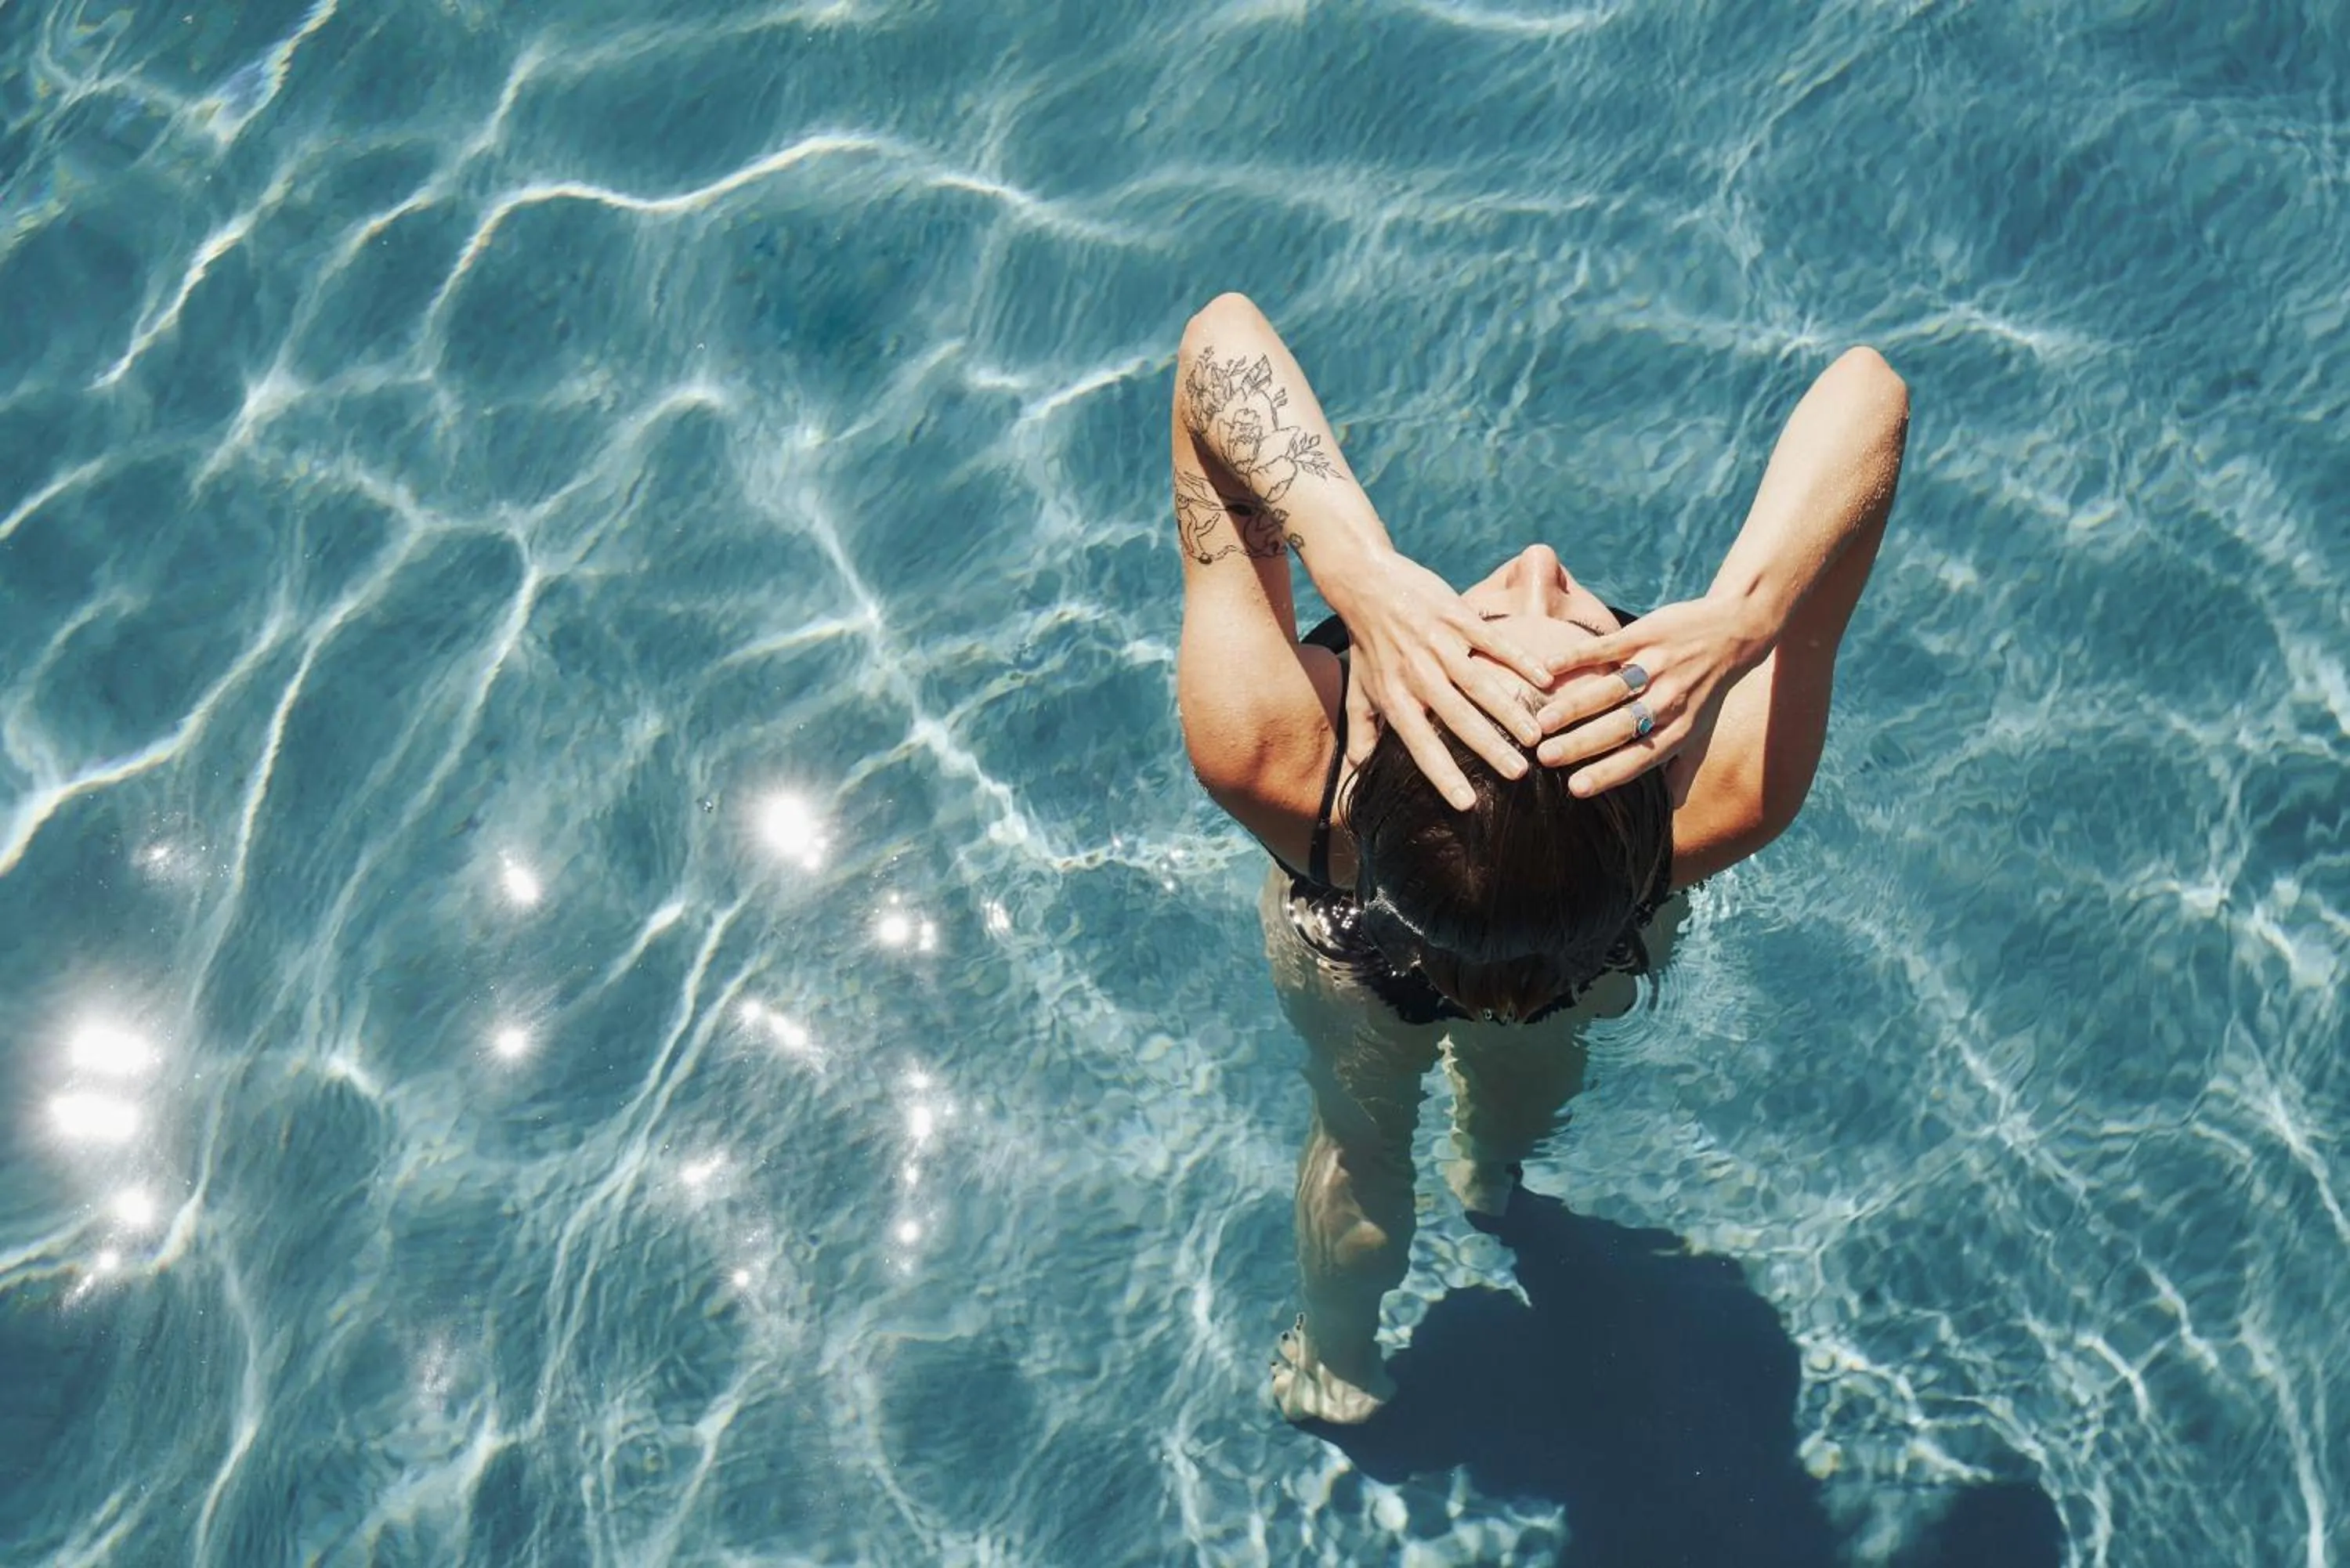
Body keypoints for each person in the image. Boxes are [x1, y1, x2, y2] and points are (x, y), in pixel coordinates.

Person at [1170, 292, 1910, 1423]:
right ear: (1644, 782)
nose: (1536, 562)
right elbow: (1872, 393)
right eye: (1573, 616)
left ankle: (1337, 1368)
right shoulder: (1720, 797)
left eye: (1478, 633)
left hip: (1351, 948)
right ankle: (1493, 1174)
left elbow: (1215, 347)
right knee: (1528, 1057)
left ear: (1387, 736)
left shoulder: (1280, 755)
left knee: (1360, 1145)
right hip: (1581, 960)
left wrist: (1354, 565)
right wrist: (1747, 615)